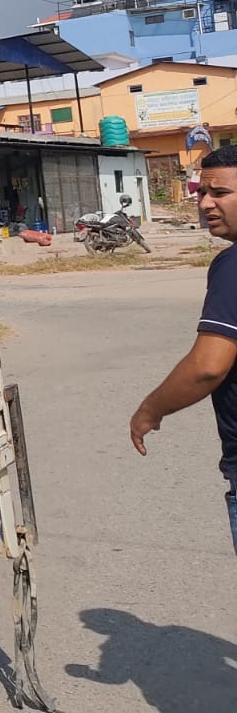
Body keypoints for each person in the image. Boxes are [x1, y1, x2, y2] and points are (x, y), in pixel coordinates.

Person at [130, 144, 237, 552]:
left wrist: (150, 409)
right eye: (201, 192)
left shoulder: (233, 267)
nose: (205, 203)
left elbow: (208, 365)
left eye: (220, 193)